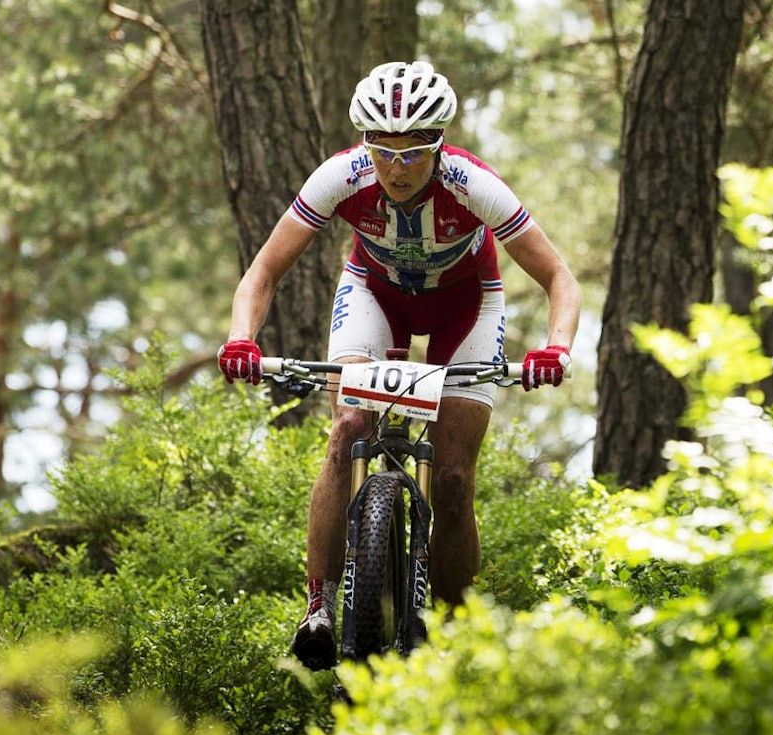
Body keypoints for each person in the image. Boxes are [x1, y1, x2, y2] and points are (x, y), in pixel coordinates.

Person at [217, 61, 582, 670]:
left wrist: (556, 348)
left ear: (439, 144)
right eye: (383, 149)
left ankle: (456, 636)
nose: (398, 166)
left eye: (416, 150)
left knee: (454, 478)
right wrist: (240, 337)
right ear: (366, 143)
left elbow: (558, 278)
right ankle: (319, 607)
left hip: (466, 305)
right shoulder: (342, 176)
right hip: (374, 294)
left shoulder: (473, 184)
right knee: (348, 431)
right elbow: (264, 271)